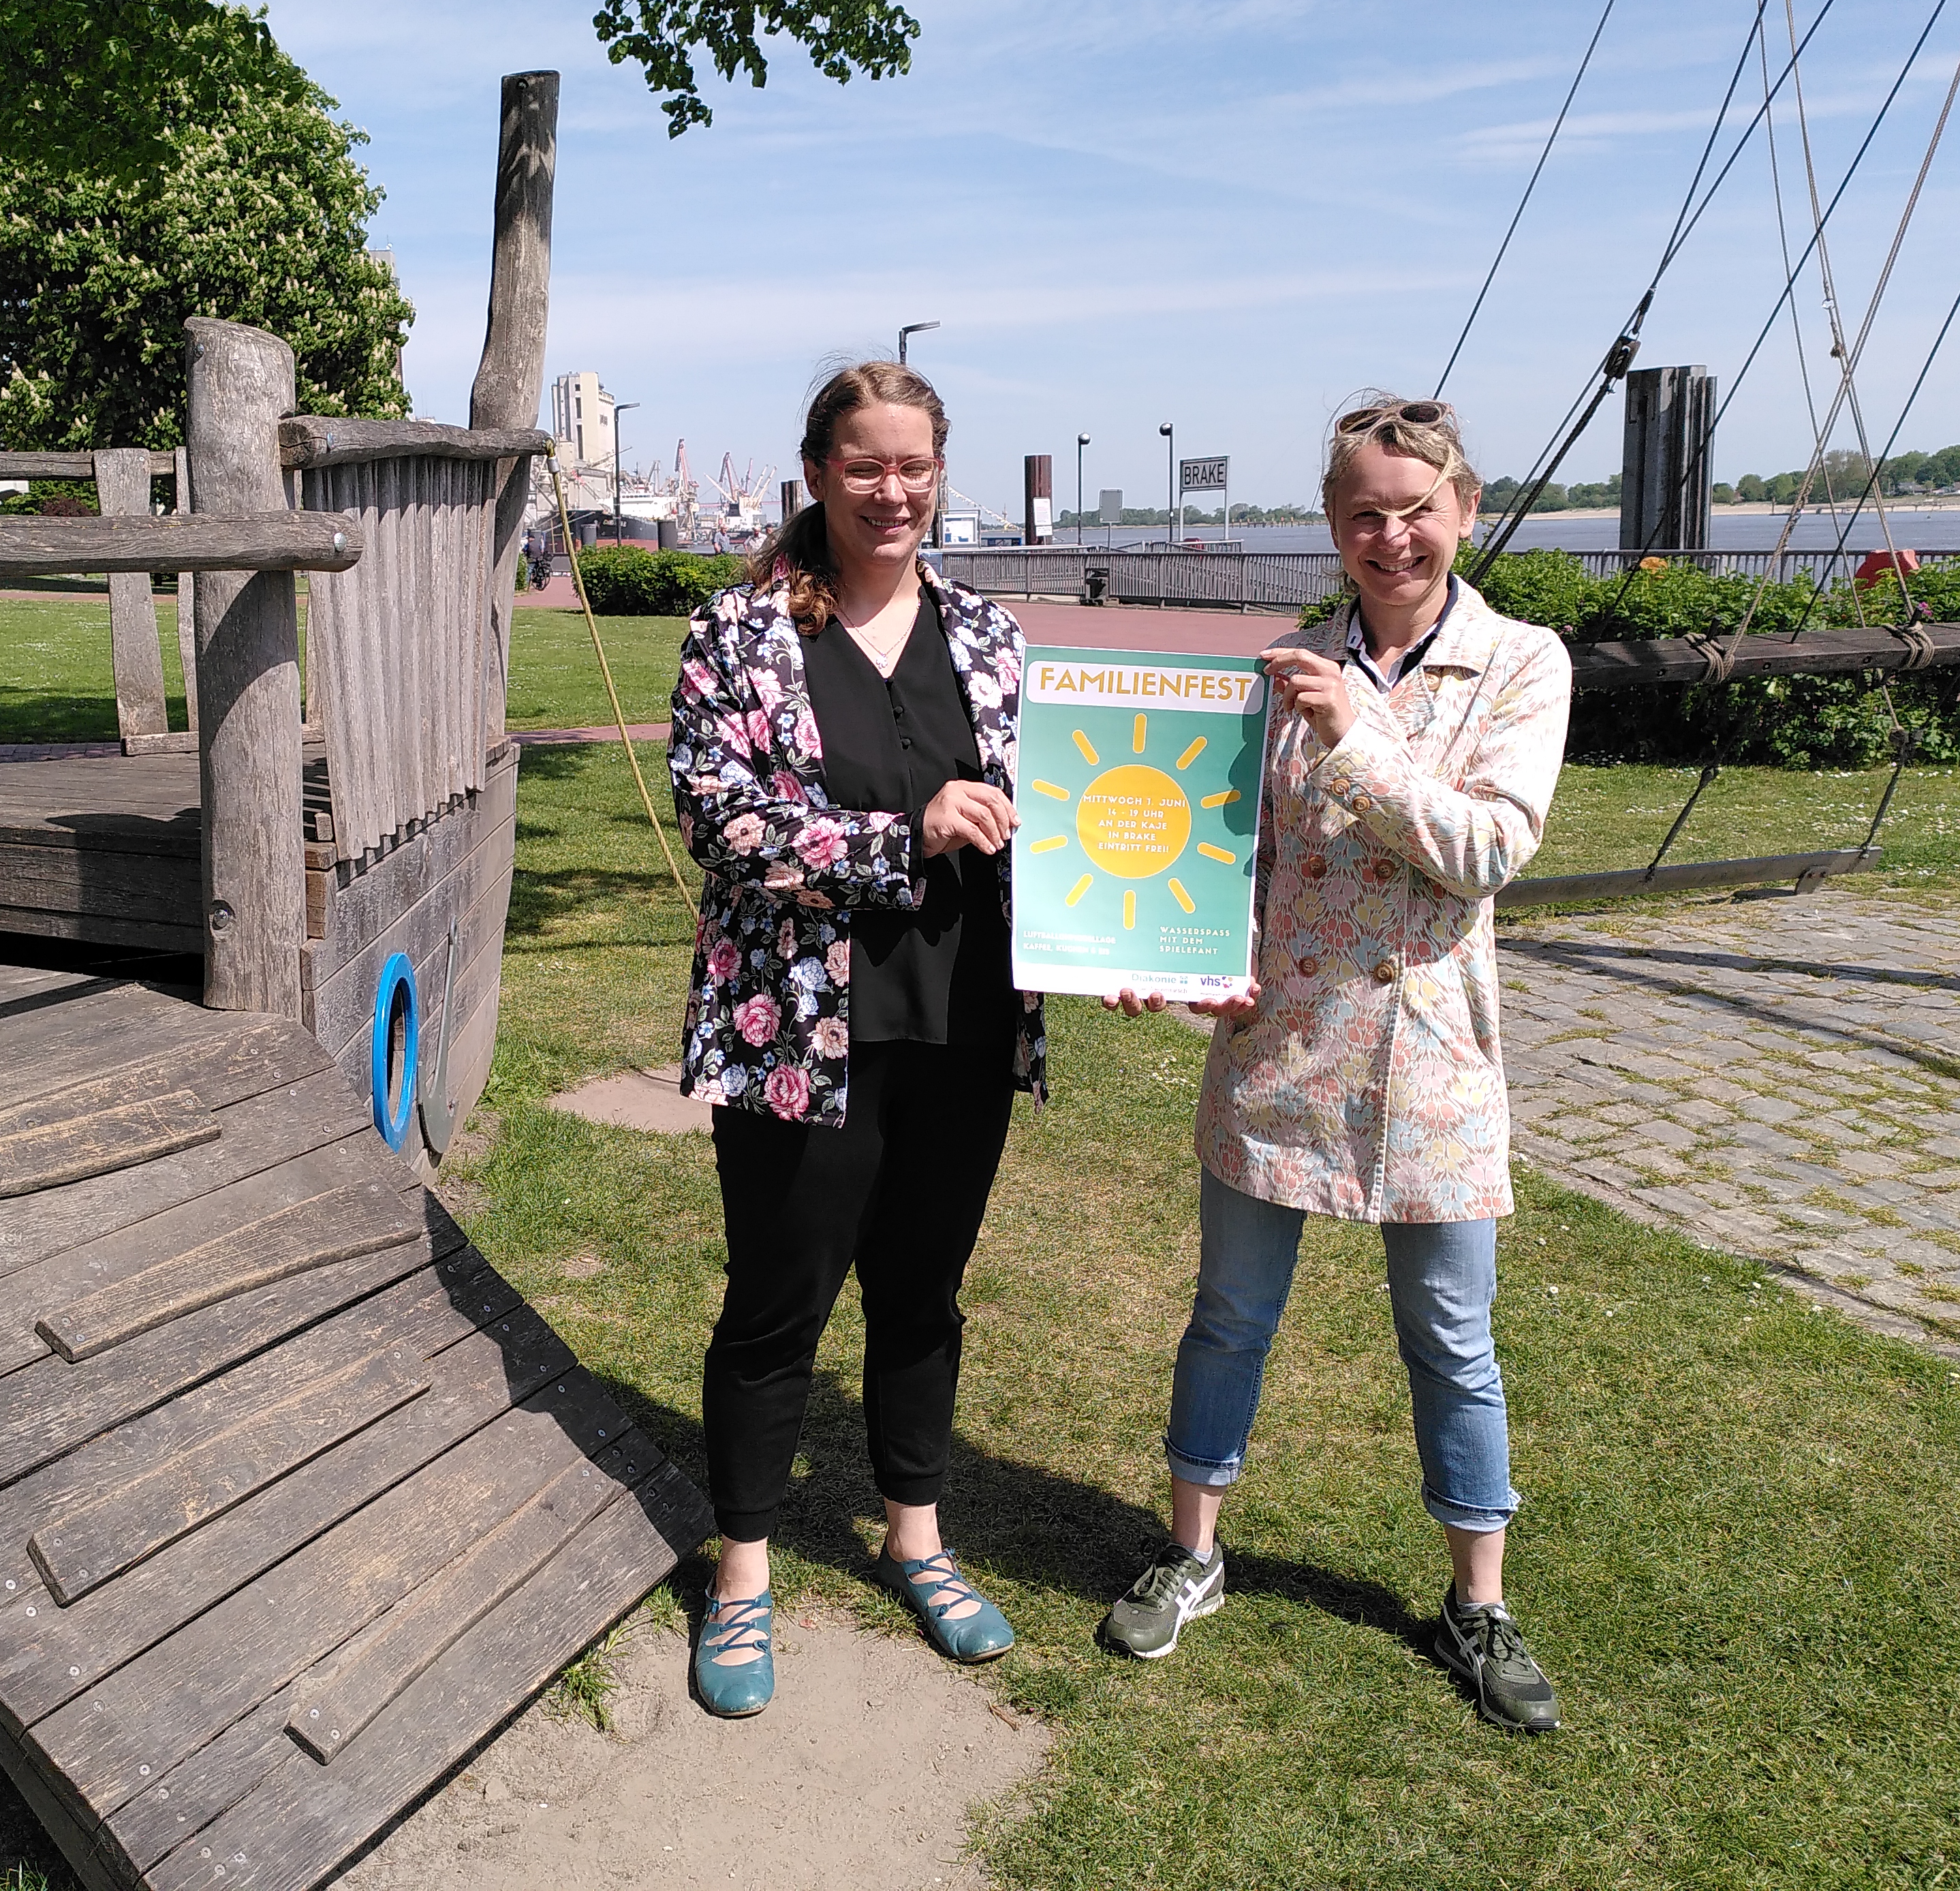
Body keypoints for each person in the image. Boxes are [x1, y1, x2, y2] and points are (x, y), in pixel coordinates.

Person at [1097, 394, 1573, 1734]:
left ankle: (1475, 1601)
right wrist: (1172, 949)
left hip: (1428, 1071)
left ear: (1462, 512)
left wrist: (1358, 742)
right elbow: (1218, 857)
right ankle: (1191, 1552)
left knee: (1450, 1343)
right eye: (1362, 511)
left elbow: (1485, 848)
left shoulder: (1520, 664)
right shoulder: (1283, 667)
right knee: (1226, 1321)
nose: (1389, 534)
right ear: (1332, 524)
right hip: (1276, 1059)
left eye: (1414, 508)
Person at [668, 360, 1044, 1719]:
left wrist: (1128, 927)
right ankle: (743, 1572)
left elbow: (1053, 815)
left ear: (940, 473)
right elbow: (723, 823)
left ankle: (915, 1540)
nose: (893, 490)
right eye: (865, 464)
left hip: (961, 1022)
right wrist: (901, 836)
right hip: (797, 1034)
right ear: (818, 472)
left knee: (922, 1293)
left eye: (914, 466)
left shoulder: (993, 639)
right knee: (778, 1303)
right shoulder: (737, 634)